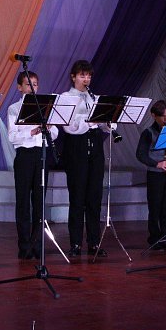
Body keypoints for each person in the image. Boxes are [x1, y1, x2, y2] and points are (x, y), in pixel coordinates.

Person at [61, 60, 115, 258]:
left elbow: (104, 126)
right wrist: (89, 121)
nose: (86, 79)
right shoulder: (66, 98)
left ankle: (94, 242)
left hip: (95, 147)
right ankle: (75, 243)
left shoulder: (94, 98)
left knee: (94, 197)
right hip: (77, 147)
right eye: (82, 75)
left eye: (89, 76)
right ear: (73, 77)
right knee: (77, 198)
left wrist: (108, 122)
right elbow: (69, 126)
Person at [6, 71, 59, 259]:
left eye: (35, 84)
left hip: (41, 154)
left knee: (39, 201)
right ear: (20, 87)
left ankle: (37, 243)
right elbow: (12, 136)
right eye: (28, 84)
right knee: (23, 202)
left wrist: (49, 128)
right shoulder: (14, 109)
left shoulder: (45, 106)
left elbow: (55, 133)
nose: (32, 87)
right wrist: (32, 132)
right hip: (24, 155)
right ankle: (24, 245)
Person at [136, 100, 166, 250]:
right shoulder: (148, 133)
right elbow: (140, 154)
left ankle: (165, 236)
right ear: (154, 115)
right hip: (155, 174)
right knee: (155, 207)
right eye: (162, 116)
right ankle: (154, 238)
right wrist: (157, 164)